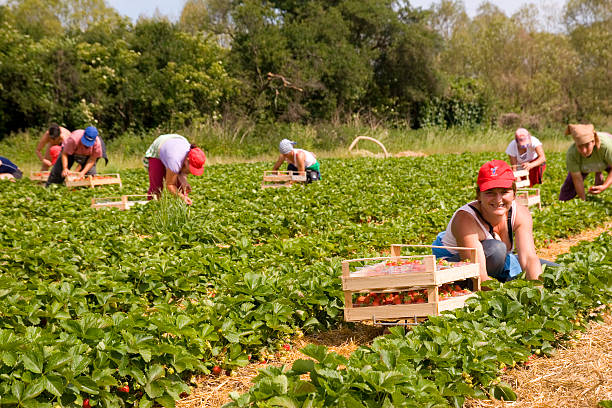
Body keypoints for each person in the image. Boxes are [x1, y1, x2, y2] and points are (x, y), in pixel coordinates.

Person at [432, 160, 542, 283]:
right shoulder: (465, 219)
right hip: (457, 265)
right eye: (490, 193)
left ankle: (505, 279)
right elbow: (478, 275)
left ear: (514, 194)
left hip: (498, 263)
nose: (498, 199)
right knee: (496, 249)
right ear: (479, 195)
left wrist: (537, 291)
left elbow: (528, 257)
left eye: (504, 192)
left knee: (548, 269)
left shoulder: (520, 214)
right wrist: (505, 297)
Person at [143, 134, 206, 205]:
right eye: (192, 168)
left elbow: (183, 171)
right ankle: (152, 209)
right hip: (159, 148)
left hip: (174, 145)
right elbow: (170, 184)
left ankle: (182, 209)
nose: (191, 171)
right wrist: (181, 197)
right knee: (157, 187)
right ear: (187, 160)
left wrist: (183, 181)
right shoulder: (175, 161)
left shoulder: (190, 153)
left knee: (181, 185)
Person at [559, 124, 612, 201]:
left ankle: (598, 171)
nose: (584, 150)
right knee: (567, 189)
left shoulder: (606, 147)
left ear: (593, 142)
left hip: (606, 160)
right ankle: (598, 171)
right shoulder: (572, 153)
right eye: (580, 146)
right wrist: (583, 200)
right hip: (589, 164)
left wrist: (604, 186)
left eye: (587, 145)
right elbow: (577, 179)